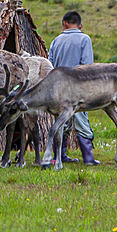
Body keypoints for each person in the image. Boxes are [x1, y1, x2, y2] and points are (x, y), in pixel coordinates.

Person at [46, 10, 100, 166]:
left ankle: (59, 156)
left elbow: (51, 65)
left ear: (64, 23)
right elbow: (87, 66)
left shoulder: (56, 41)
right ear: (80, 25)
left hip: (59, 89)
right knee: (82, 121)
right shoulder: (84, 39)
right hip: (78, 88)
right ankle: (88, 158)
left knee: (62, 122)